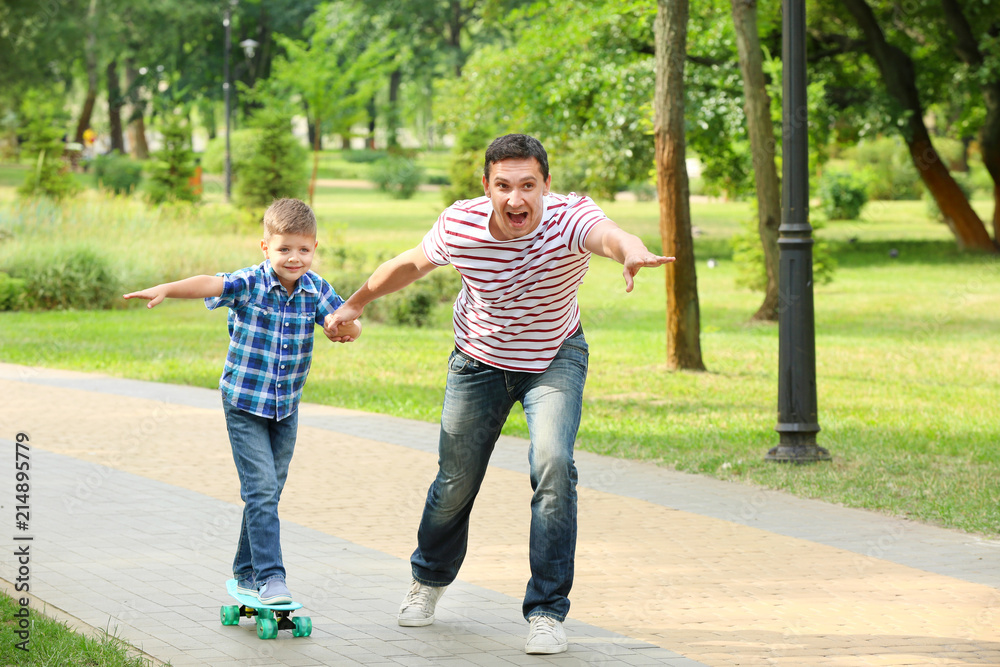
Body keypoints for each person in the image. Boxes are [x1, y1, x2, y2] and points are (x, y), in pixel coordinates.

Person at [324, 134, 673, 654]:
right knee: (456, 481)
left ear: (546, 186)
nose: (516, 199)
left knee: (554, 464)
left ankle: (548, 612)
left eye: (528, 185)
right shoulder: (461, 225)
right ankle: (429, 580)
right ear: (486, 186)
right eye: (504, 185)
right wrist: (356, 303)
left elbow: (608, 235)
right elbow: (410, 264)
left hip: (553, 356)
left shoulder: (570, 217)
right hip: (477, 359)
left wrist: (632, 250)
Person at [124, 198, 360, 605]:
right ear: (265, 247)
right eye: (284, 248)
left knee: (266, 492)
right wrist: (167, 288)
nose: (294, 257)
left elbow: (340, 321)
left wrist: (347, 329)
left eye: (303, 249)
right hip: (244, 403)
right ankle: (272, 578)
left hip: (286, 406)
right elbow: (209, 283)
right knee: (263, 490)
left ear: (314, 249)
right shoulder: (250, 282)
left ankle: (245, 572)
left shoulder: (316, 288)